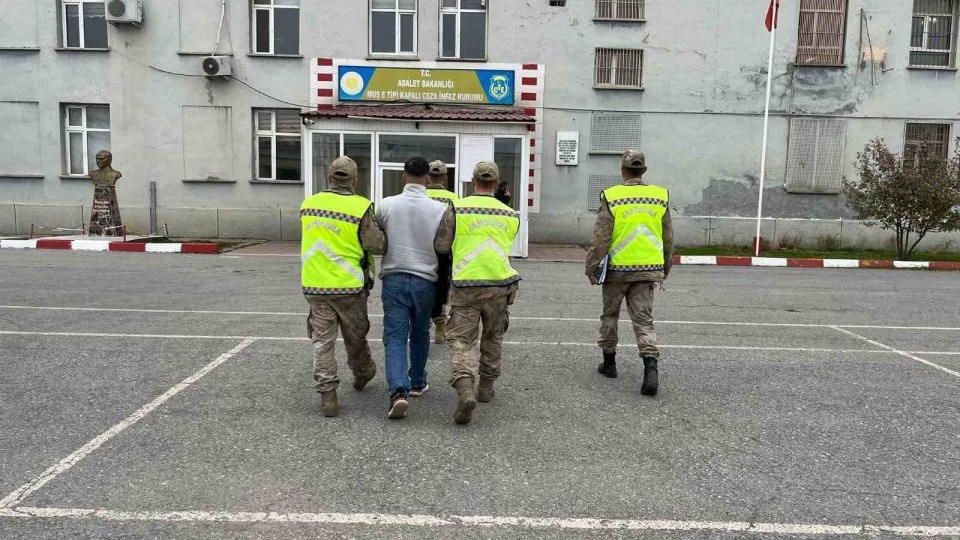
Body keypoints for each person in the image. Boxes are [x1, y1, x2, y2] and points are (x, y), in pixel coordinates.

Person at [300, 156, 385, 418]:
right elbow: (376, 245)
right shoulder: (361, 207)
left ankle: (328, 396)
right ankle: (362, 372)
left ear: (329, 178)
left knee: (322, 342)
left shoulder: (308, 204)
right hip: (349, 286)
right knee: (355, 336)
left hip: (315, 284)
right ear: (355, 181)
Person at [585, 150, 674, 396]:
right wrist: (665, 265)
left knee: (610, 315)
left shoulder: (612, 197)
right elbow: (667, 236)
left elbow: (602, 237)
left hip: (617, 271)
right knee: (644, 320)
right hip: (647, 271)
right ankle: (650, 367)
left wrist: (592, 265)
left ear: (623, 171)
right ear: (644, 170)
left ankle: (610, 363)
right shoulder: (659, 196)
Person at [375, 157, 453, 419]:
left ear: (403, 176)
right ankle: (418, 381)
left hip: (394, 278)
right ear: (428, 179)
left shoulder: (385, 205)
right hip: (425, 281)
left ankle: (398, 391)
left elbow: (375, 238)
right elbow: (444, 247)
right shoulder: (439, 209)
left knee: (395, 336)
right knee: (420, 333)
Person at [443, 162, 520, 425]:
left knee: (462, 340)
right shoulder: (510, 214)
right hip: (499, 285)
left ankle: (465, 388)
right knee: (493, 336)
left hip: (466, 285)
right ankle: (486, 388)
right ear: (497, 184)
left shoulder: (458, 207)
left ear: (472, 180)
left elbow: (442, 244)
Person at [425, 160, 459, 344]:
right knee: (441, 286)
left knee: (424, 285)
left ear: (428, 177)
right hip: (444, 251)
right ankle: (440, 326)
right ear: (445, 178)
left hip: (422, 248)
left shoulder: (421, 195)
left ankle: (423, 323)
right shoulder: (454, 198)